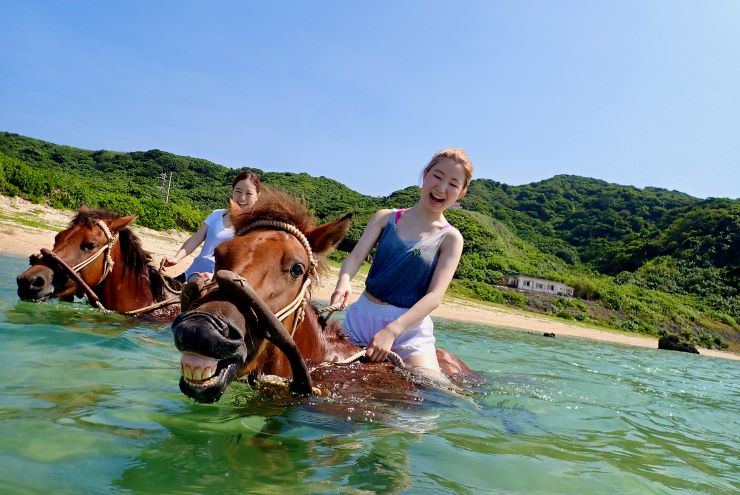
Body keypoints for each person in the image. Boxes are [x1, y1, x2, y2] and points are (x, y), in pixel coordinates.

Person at [330, 148, 473, 378]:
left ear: (462, 192)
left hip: (408, 330)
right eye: (437, 176)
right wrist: (343, 282)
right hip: (360, 318)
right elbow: (355, 258)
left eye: (453, 184)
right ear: (425, 174)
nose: (441, 188)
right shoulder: (385, 217)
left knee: (432, 391)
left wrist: (392, 331)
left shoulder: (451, 238)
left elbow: (434, 297)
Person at [163, 171, 261, 283]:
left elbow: (246, 262)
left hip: (219, 284)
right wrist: (176, 258)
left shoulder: (255, 227)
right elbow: (196, 238)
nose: (242, 198)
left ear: (258, 196)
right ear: (232, 191)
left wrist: (214, 275)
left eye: (249, 194)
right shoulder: (216, 214)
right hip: (192, 274)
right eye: (238, 191)